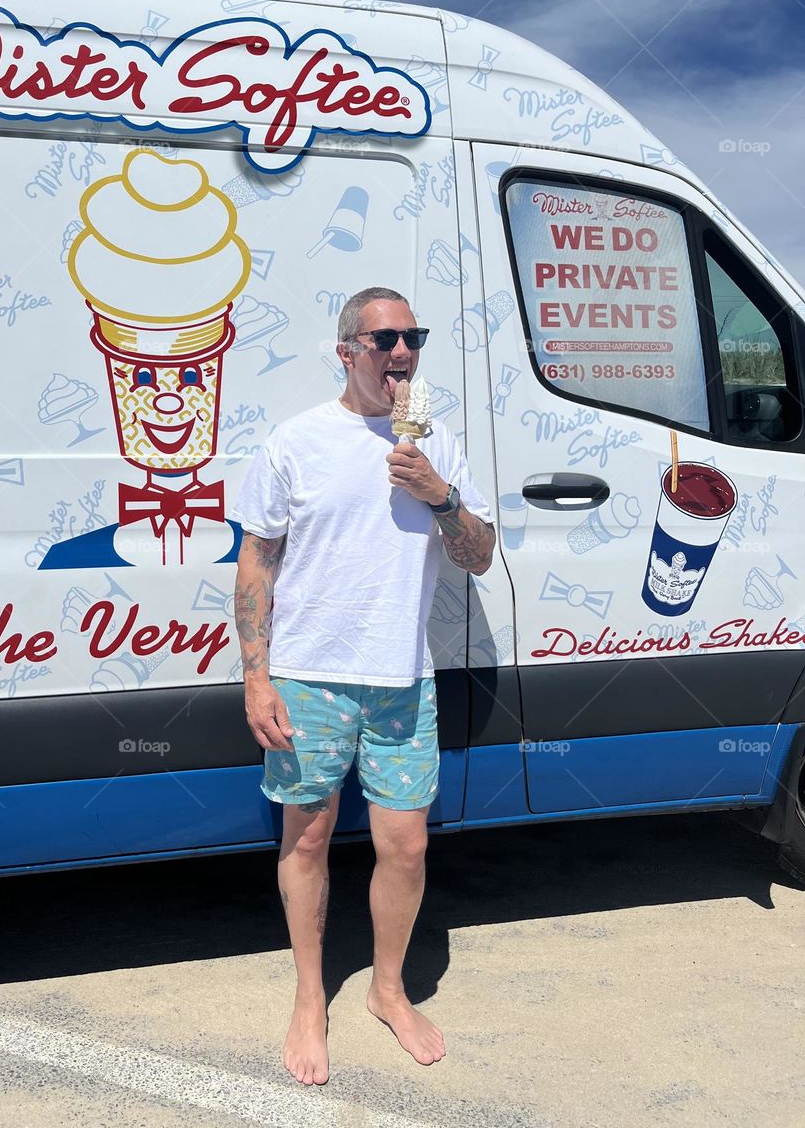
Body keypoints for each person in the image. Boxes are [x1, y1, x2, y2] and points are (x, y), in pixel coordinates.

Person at [229, 287, 495, 1086]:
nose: (402, 354)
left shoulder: (436, 443)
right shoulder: (297, 442)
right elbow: (257, 561)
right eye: (384, 341)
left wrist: (438, 493)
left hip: (401, 679)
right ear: (347, 351)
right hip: (308, 677)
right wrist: (255, 677)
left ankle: (388, 989)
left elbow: (477, 556)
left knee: (406, 847)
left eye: (412, 338)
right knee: (306, 837)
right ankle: (311, 997)